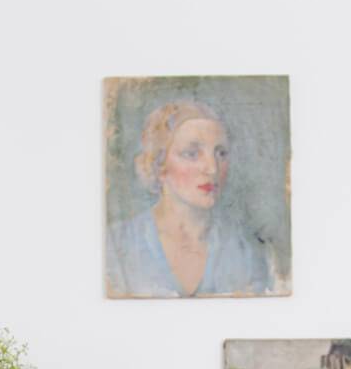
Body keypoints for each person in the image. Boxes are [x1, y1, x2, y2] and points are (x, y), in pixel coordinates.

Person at [106, 100, 275, 298]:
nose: (212, 168)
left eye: (221, 153)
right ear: (159, 164)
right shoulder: (116, 245)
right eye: (192, 154)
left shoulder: (248, 252)